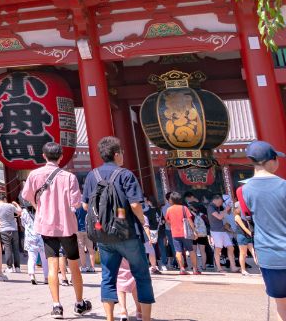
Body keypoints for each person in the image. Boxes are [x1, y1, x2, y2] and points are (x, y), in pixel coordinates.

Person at [82, 136, 155, 321]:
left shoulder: (92, 175)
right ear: (116, 154)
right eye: (121, 152)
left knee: (108, 276)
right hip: (128, 232)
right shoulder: (125, 175)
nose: (122, 155)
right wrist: (143, 222)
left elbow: (85, 206)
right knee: (141, 274)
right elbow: (135, 205)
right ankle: (144, 318)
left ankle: (109, 318)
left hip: (104, 235)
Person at [21, 140, 90, 317]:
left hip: (46, 225)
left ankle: (56, 305)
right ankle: (79, 302)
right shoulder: (69, 177)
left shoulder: (34, 175)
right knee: (73, 265)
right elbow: (75, 203)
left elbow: (27, 196)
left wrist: (39, 207)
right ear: (60, 157)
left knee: (52, 265)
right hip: (66, 225)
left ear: (43, 156)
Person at [236, 140, 286, 321]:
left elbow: (248, 218)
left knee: (281, 302)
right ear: (271, 160)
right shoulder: (284, 186)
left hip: (268, 254)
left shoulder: (243, 191)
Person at [163, 192, 199, 275]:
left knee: (178, 251)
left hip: (175, 233)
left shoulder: (169, 209)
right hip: (186, 233)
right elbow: (190, 220)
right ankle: (195, 269)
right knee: (191, 250)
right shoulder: (184, 208)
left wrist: (174, 224)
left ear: (172, 200)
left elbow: (167, 221)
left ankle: (182, 269)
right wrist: (194, 230)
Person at [207, 194, 237, 273]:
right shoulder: (210, 207)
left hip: (222, 230)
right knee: (218, 249)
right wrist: (225, 210)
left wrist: (227, 209)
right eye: (221, 201)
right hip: (216, 231)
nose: (221, 203)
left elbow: (224, 215)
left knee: (231, 247)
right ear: (217, 199)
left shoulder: (216, 207)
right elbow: (219, 217)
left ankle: (233, 266)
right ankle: (219, 268)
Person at [230, 198, 258, 276]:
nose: (242, 209)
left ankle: (260, 267)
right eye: (240, 207)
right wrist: (251, 234)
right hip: (242, 236)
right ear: (237, 208)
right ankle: (243, 270)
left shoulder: (243, 216)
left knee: (254, 251)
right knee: (243, 253)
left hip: (247, 236)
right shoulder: (237, 217)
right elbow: (244, 228)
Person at [22, 201, 47, 286]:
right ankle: (46, 277)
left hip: (29, 237)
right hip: (41, 237)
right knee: (44, 258)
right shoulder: (40, 210)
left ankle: (32, 275)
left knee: (31, 257)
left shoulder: (24, 212)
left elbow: (23, 224)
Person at [0, 194, 22, 274]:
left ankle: (9, 267)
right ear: (4, 198)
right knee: (16, 249)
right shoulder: (10, 205)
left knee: (7, 248)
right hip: (14, 229)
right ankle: (17, 267)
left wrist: (1, 226)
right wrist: (16, 204)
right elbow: (19, 212)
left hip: (4, 229)